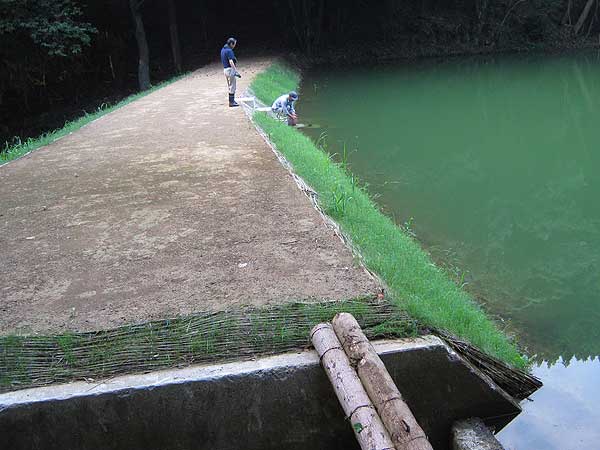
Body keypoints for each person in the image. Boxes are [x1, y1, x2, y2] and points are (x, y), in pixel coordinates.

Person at [220, 37, 241, 107]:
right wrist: (235, 71)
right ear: (231, 44)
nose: (235, 46)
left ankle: (232, 101)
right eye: (234, 44)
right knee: (232, 86)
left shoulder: (223, 49)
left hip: (225, 69)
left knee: (230, 85)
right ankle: (231, 102)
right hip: (229, 70)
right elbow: (231, 61)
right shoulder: (229, 50)